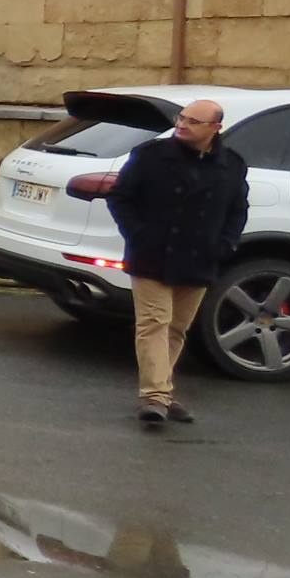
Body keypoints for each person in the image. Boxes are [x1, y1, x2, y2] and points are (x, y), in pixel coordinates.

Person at [104, 99, 249, 426]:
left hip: (200, 258)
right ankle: (154, 397)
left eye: (194, 121)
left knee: (177, 328)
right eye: (181, 117)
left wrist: (225, 244)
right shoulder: (151, 156)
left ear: (215, 128)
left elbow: (238, 210)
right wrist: (138, 235)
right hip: (152, 255)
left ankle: (163, 394)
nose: (182, 124)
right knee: (154, 322)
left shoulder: (232, 165)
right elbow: (120, 197)